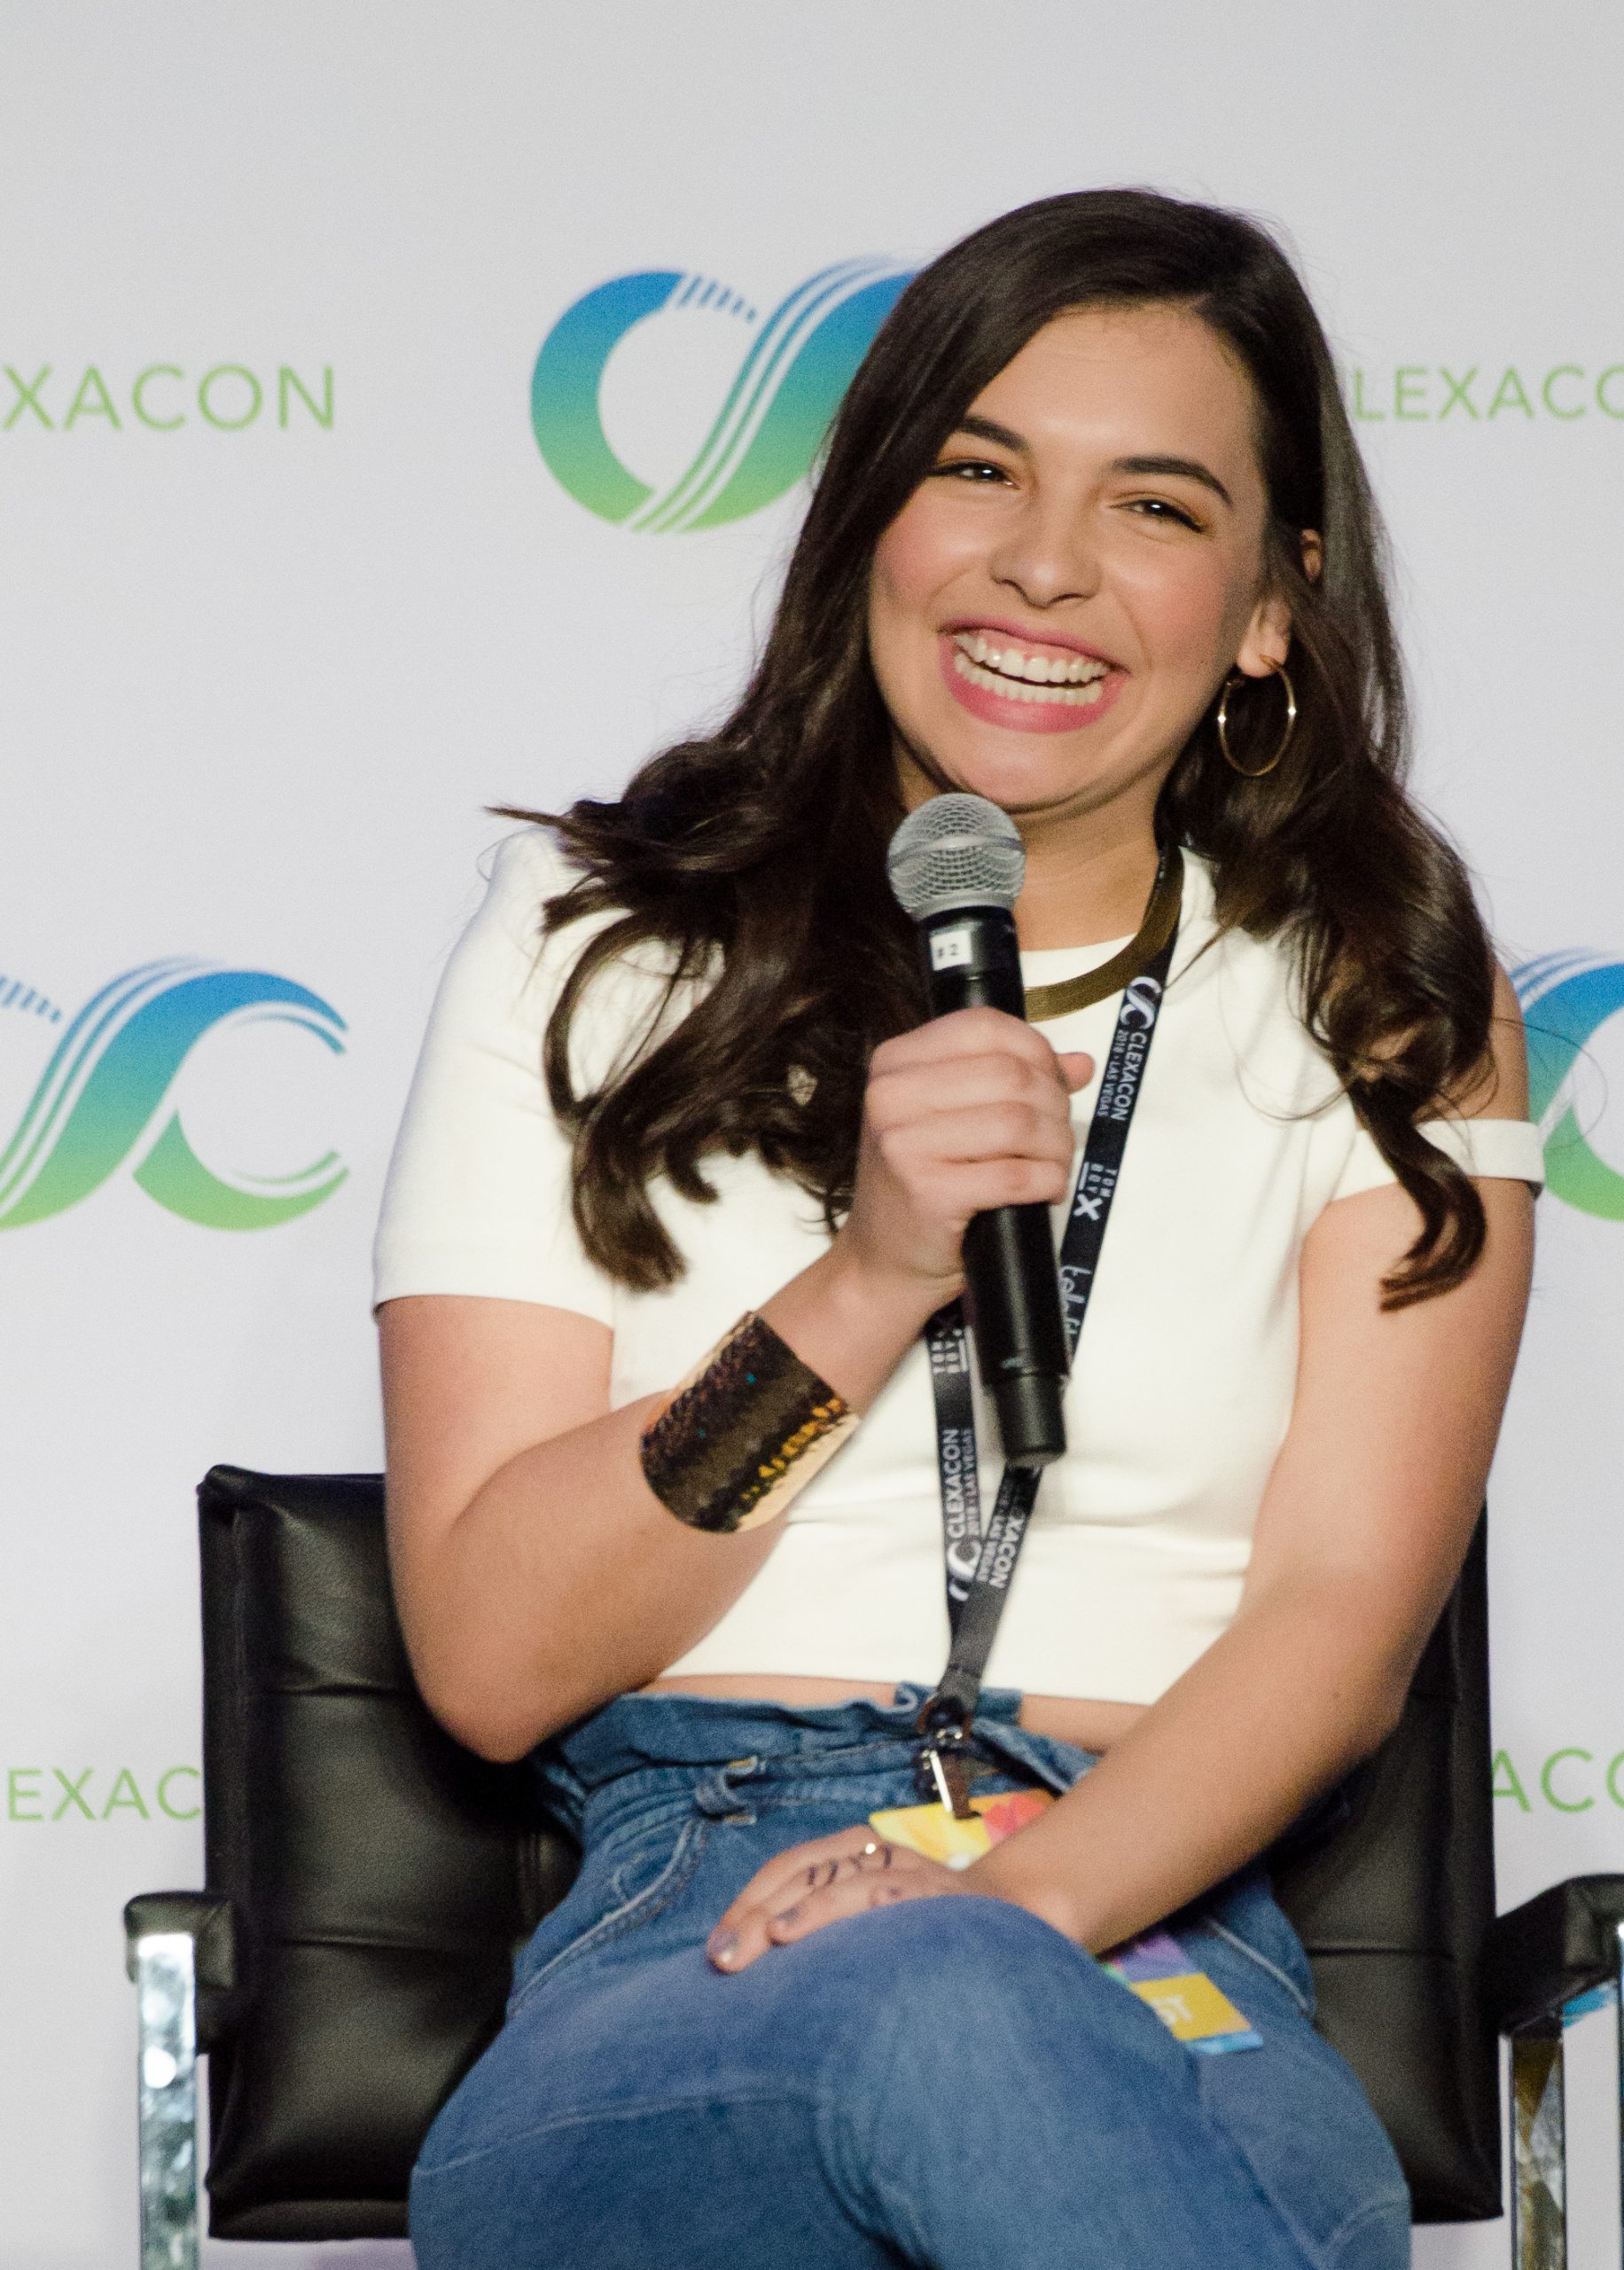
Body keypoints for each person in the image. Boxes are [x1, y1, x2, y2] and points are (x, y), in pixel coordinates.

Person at [377, 187, 1540, 2270]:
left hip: (1151, 1919)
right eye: (979, 466)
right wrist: (871, 1281)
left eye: (1158, 506)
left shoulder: (1383, 999)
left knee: (999, 2019)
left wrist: (1017, 1901)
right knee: (946, 2017)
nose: (1045, 563)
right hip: (689, 1919)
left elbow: (1342, 1626)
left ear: (1274, 605)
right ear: (872, 524)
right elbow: (485, 1652)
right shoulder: (591, 951)